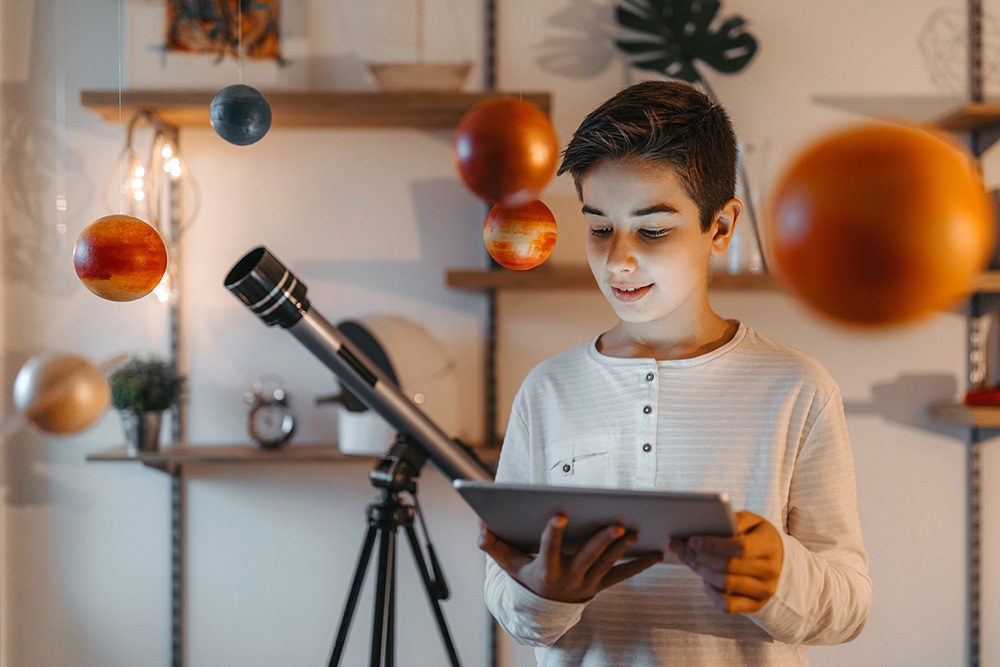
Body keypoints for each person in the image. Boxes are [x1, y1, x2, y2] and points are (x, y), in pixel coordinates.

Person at [478, 80, 872, 666]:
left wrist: (780, 578)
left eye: (653, 229)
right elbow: (508, 603)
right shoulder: (548, 390)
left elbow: (850, 603)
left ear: (720, 227)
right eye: (600, 227)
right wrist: (543, 594)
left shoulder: (798, 388)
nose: (619, 260)